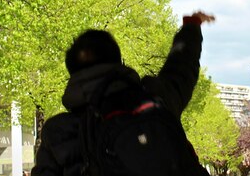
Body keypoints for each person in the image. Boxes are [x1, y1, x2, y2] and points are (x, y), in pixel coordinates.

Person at [31, 11, 215, 176]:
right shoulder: (155, 98)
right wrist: (191, 26)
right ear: (117, 61)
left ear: (72, 71)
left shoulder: (59, 130)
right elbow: (181, 67)